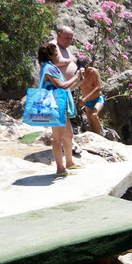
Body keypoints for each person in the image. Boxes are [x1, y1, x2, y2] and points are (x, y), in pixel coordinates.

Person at [37, 43, 84, 176]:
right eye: (56, 54)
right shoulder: (48, 68)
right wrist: (75, 76)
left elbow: (65, 89)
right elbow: (62, 86)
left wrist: (78, 81)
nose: (59, 56)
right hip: (55, 106)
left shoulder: (51, 68)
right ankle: (60, 168)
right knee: (58, 139)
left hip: (60, 105)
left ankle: (69, 162)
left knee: (68, 135)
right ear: (49, 56)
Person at [49, 24, 81, 155]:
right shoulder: (52, 46)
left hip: (67, 89)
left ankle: (68, 146)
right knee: (61, 121)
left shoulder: (64, 48)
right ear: (58, 35)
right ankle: (64, 146)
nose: (69, 41)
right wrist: (68, 62)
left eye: (71, 38)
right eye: (66, 38)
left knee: (66, 119)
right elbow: (50, 63)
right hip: (57, 89)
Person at [78, 55, 104, 136]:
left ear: (87, 67)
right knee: (90, 124)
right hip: (87, 102)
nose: (82, 72)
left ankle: (99, 136)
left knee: (94, 115)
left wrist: (86, 98)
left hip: (97, 99)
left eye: (83, 70)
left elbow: (98, 87)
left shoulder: (93, 72)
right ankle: (94, 138)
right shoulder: (78, 75)